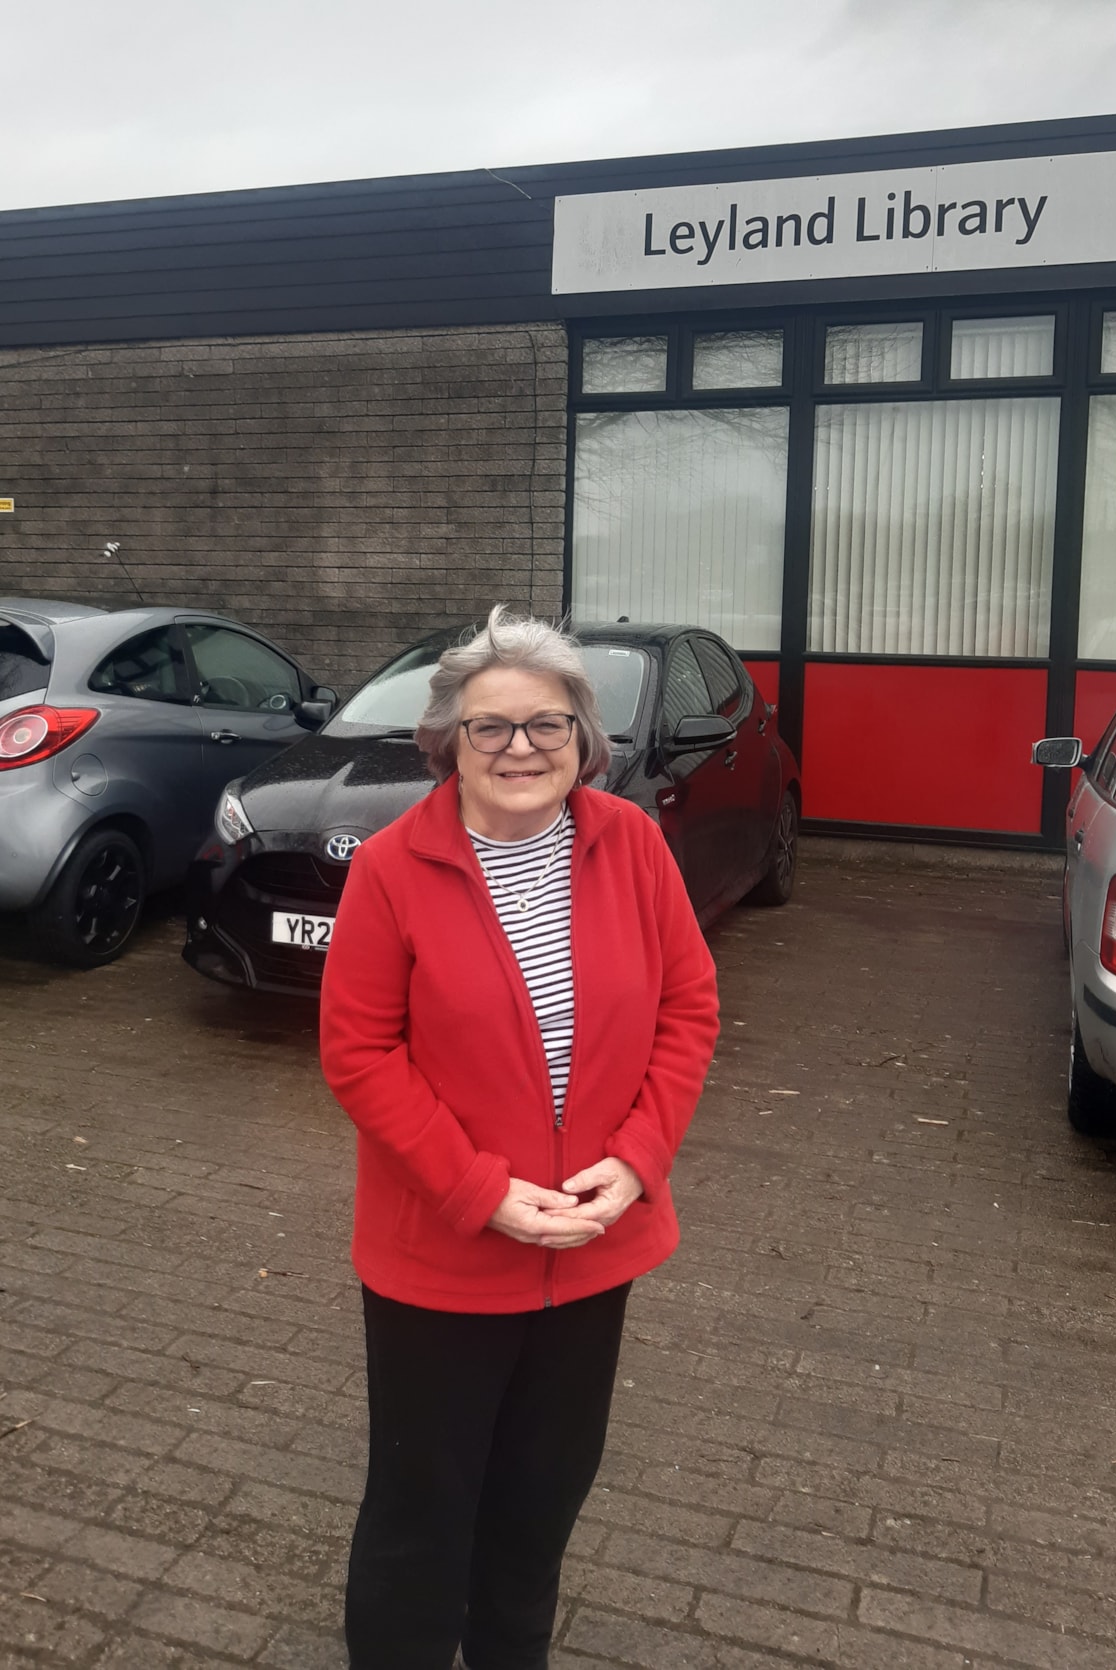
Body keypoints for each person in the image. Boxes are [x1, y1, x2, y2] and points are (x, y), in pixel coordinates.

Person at [320, 604, 720, 1670]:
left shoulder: (630, 842)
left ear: (584, 738)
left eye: (547, 725)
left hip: (593, 1250)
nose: (520, 748)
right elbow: (360, 1053)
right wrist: (478, 1189)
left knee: (537, 1512)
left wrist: (637, 1164)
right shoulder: (393, 868)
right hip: (441, 1260)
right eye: (490, 727)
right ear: (445, 739)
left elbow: (689, 1010)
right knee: (420, 1519)